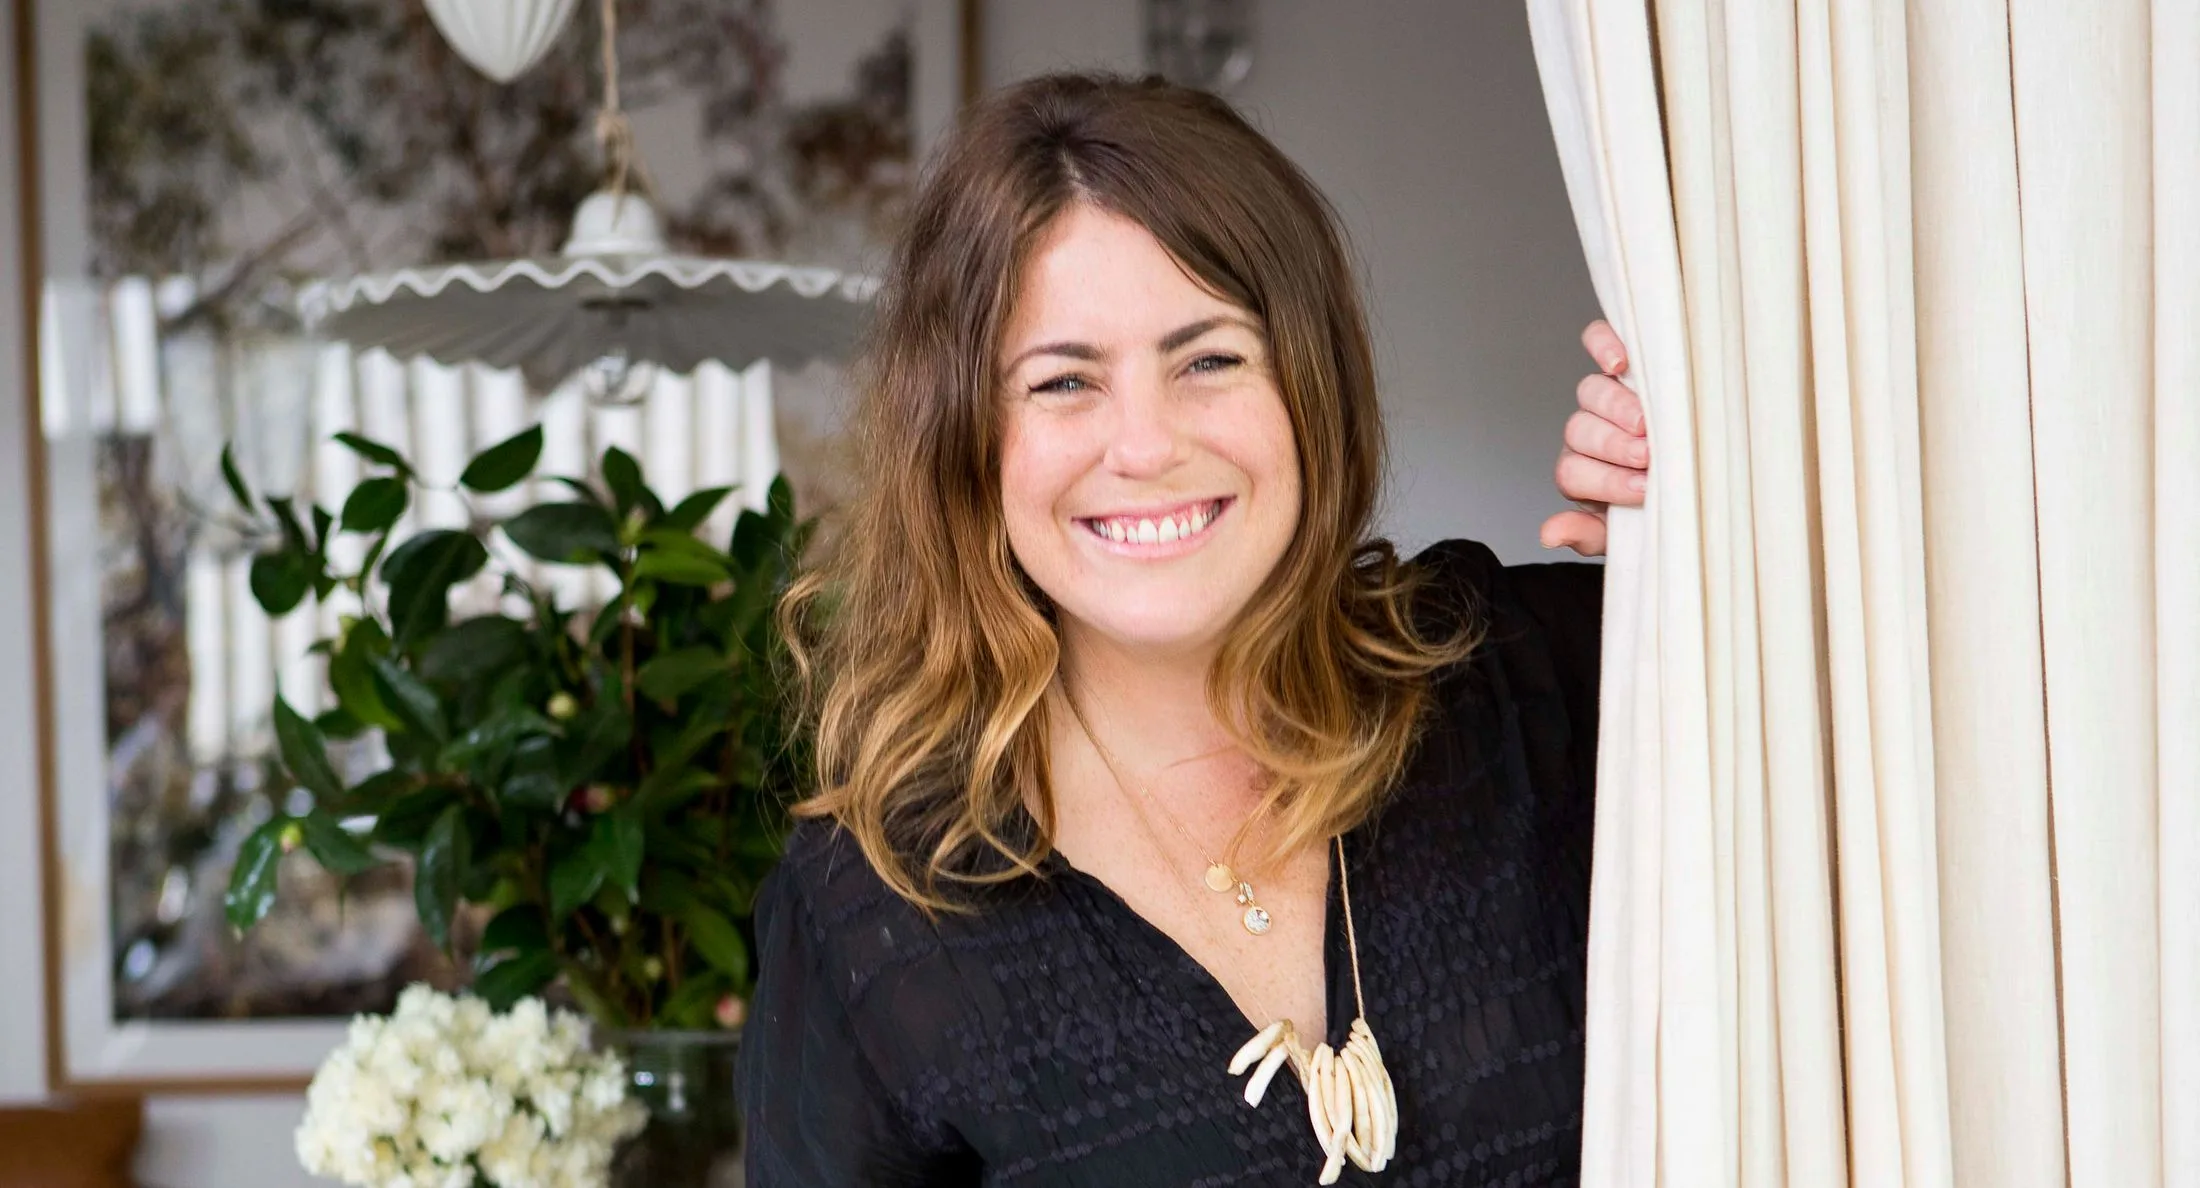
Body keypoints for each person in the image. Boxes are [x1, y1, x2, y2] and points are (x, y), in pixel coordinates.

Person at [736, 72, 1647, 1187]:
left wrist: (1701, 548)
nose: (1145, 444)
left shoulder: (1534, 676)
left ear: (1309, 384)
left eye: (1208, 358)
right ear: (967, 441)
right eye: (1064, 382)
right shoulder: (872, 914)